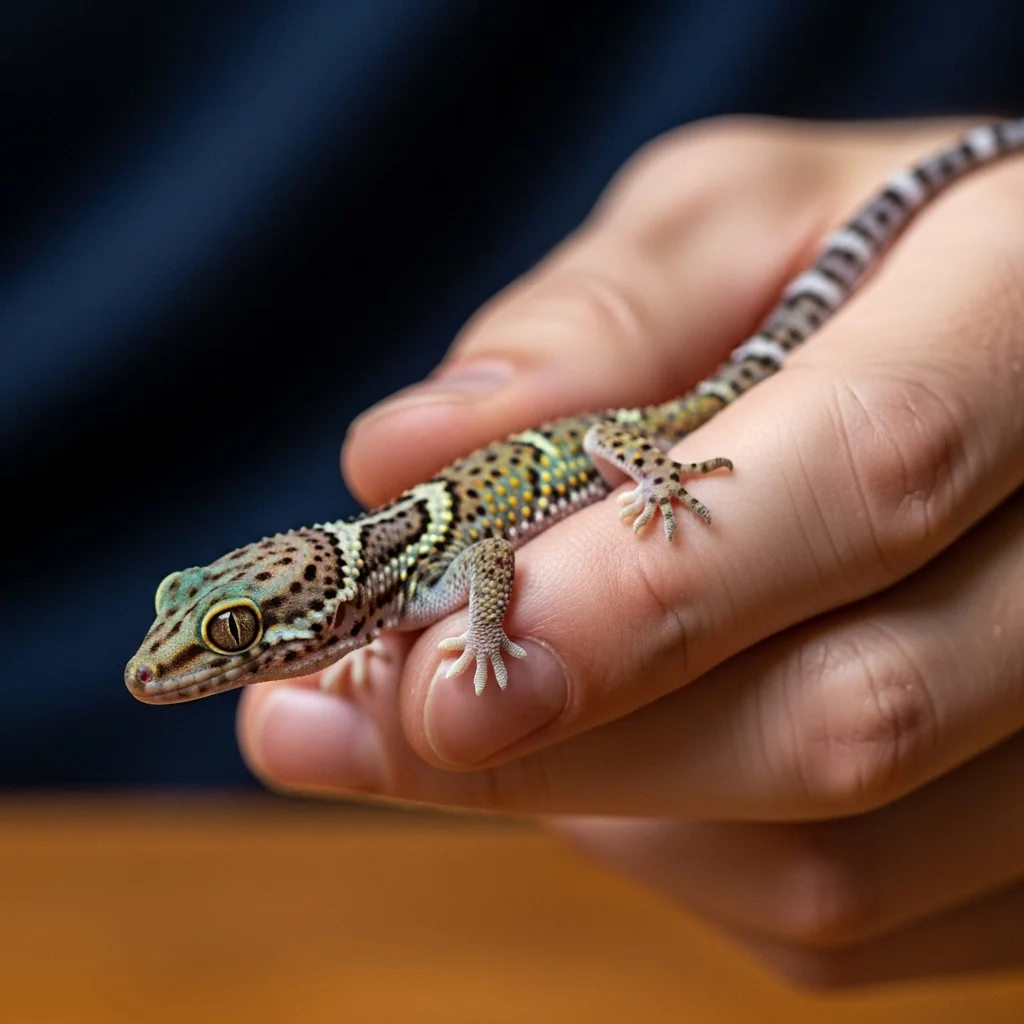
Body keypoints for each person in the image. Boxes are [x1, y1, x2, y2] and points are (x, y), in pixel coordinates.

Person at [236, 118, 1024, 986]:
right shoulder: (378, 601)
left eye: (236, 631)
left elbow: (492, 560)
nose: (194, 663)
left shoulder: (413, 578)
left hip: (619, 439)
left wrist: (635, 500)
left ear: (307, 612)